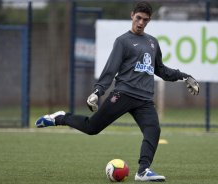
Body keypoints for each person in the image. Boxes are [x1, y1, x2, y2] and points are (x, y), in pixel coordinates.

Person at [36, 1, 199, 182]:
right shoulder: (123, 41)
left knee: (153, 130)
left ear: (149, 21)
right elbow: (111, 69)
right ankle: (60, 118)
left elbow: (160, 70)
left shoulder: (152, 42)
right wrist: (97, 92)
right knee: (92, 128)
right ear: (132, 16)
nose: (140, 23)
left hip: (144, 99)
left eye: (145, 20)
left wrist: (185, 76)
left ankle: (143, 171)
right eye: (138, 18)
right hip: (123, 94)